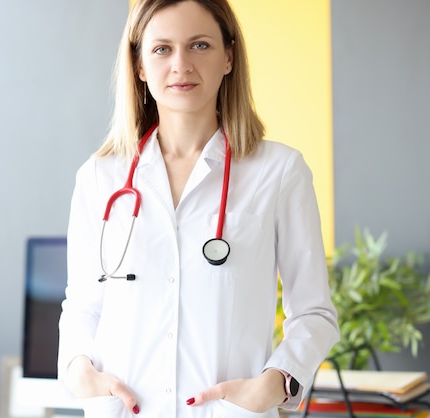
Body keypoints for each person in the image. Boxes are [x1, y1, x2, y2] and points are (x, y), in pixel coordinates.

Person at [58, 0, 340, 417]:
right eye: (161, 49)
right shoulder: (99, 178)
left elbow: (315, 312)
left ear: (229, 56)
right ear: (138, 64)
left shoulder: (279, 173)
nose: (181, 64)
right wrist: (79, 370)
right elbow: (82, 306)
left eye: (200, 45)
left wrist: (276, 381)